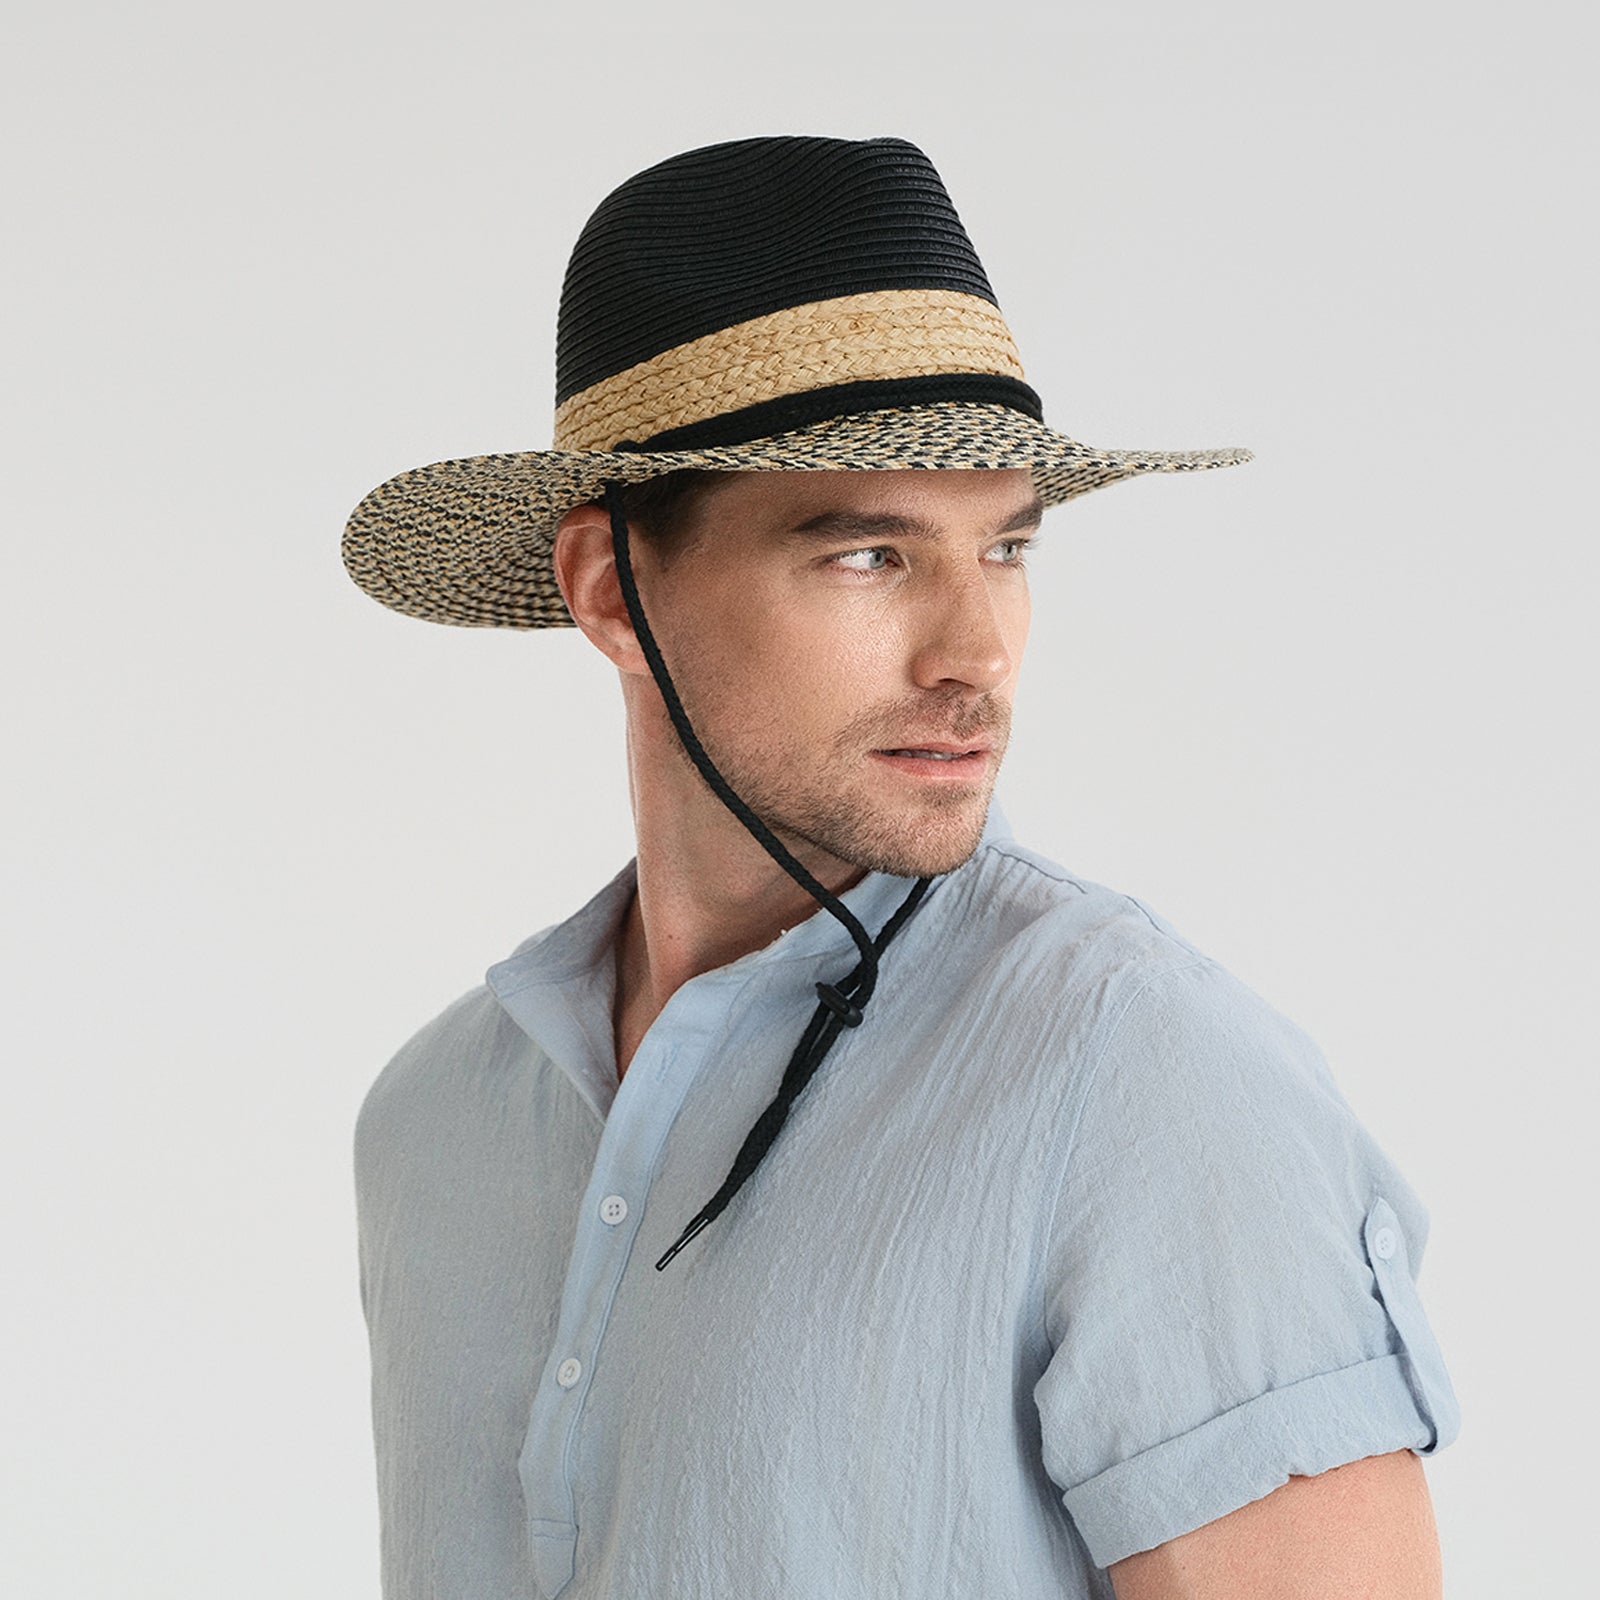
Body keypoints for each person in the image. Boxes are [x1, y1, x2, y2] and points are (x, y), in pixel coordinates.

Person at [343, 135, 1460, 1600]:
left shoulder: (1147, 1078)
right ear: (613, 590)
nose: (974, 654)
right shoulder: (438, 1122)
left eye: (1005, 550)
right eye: (869, 555)